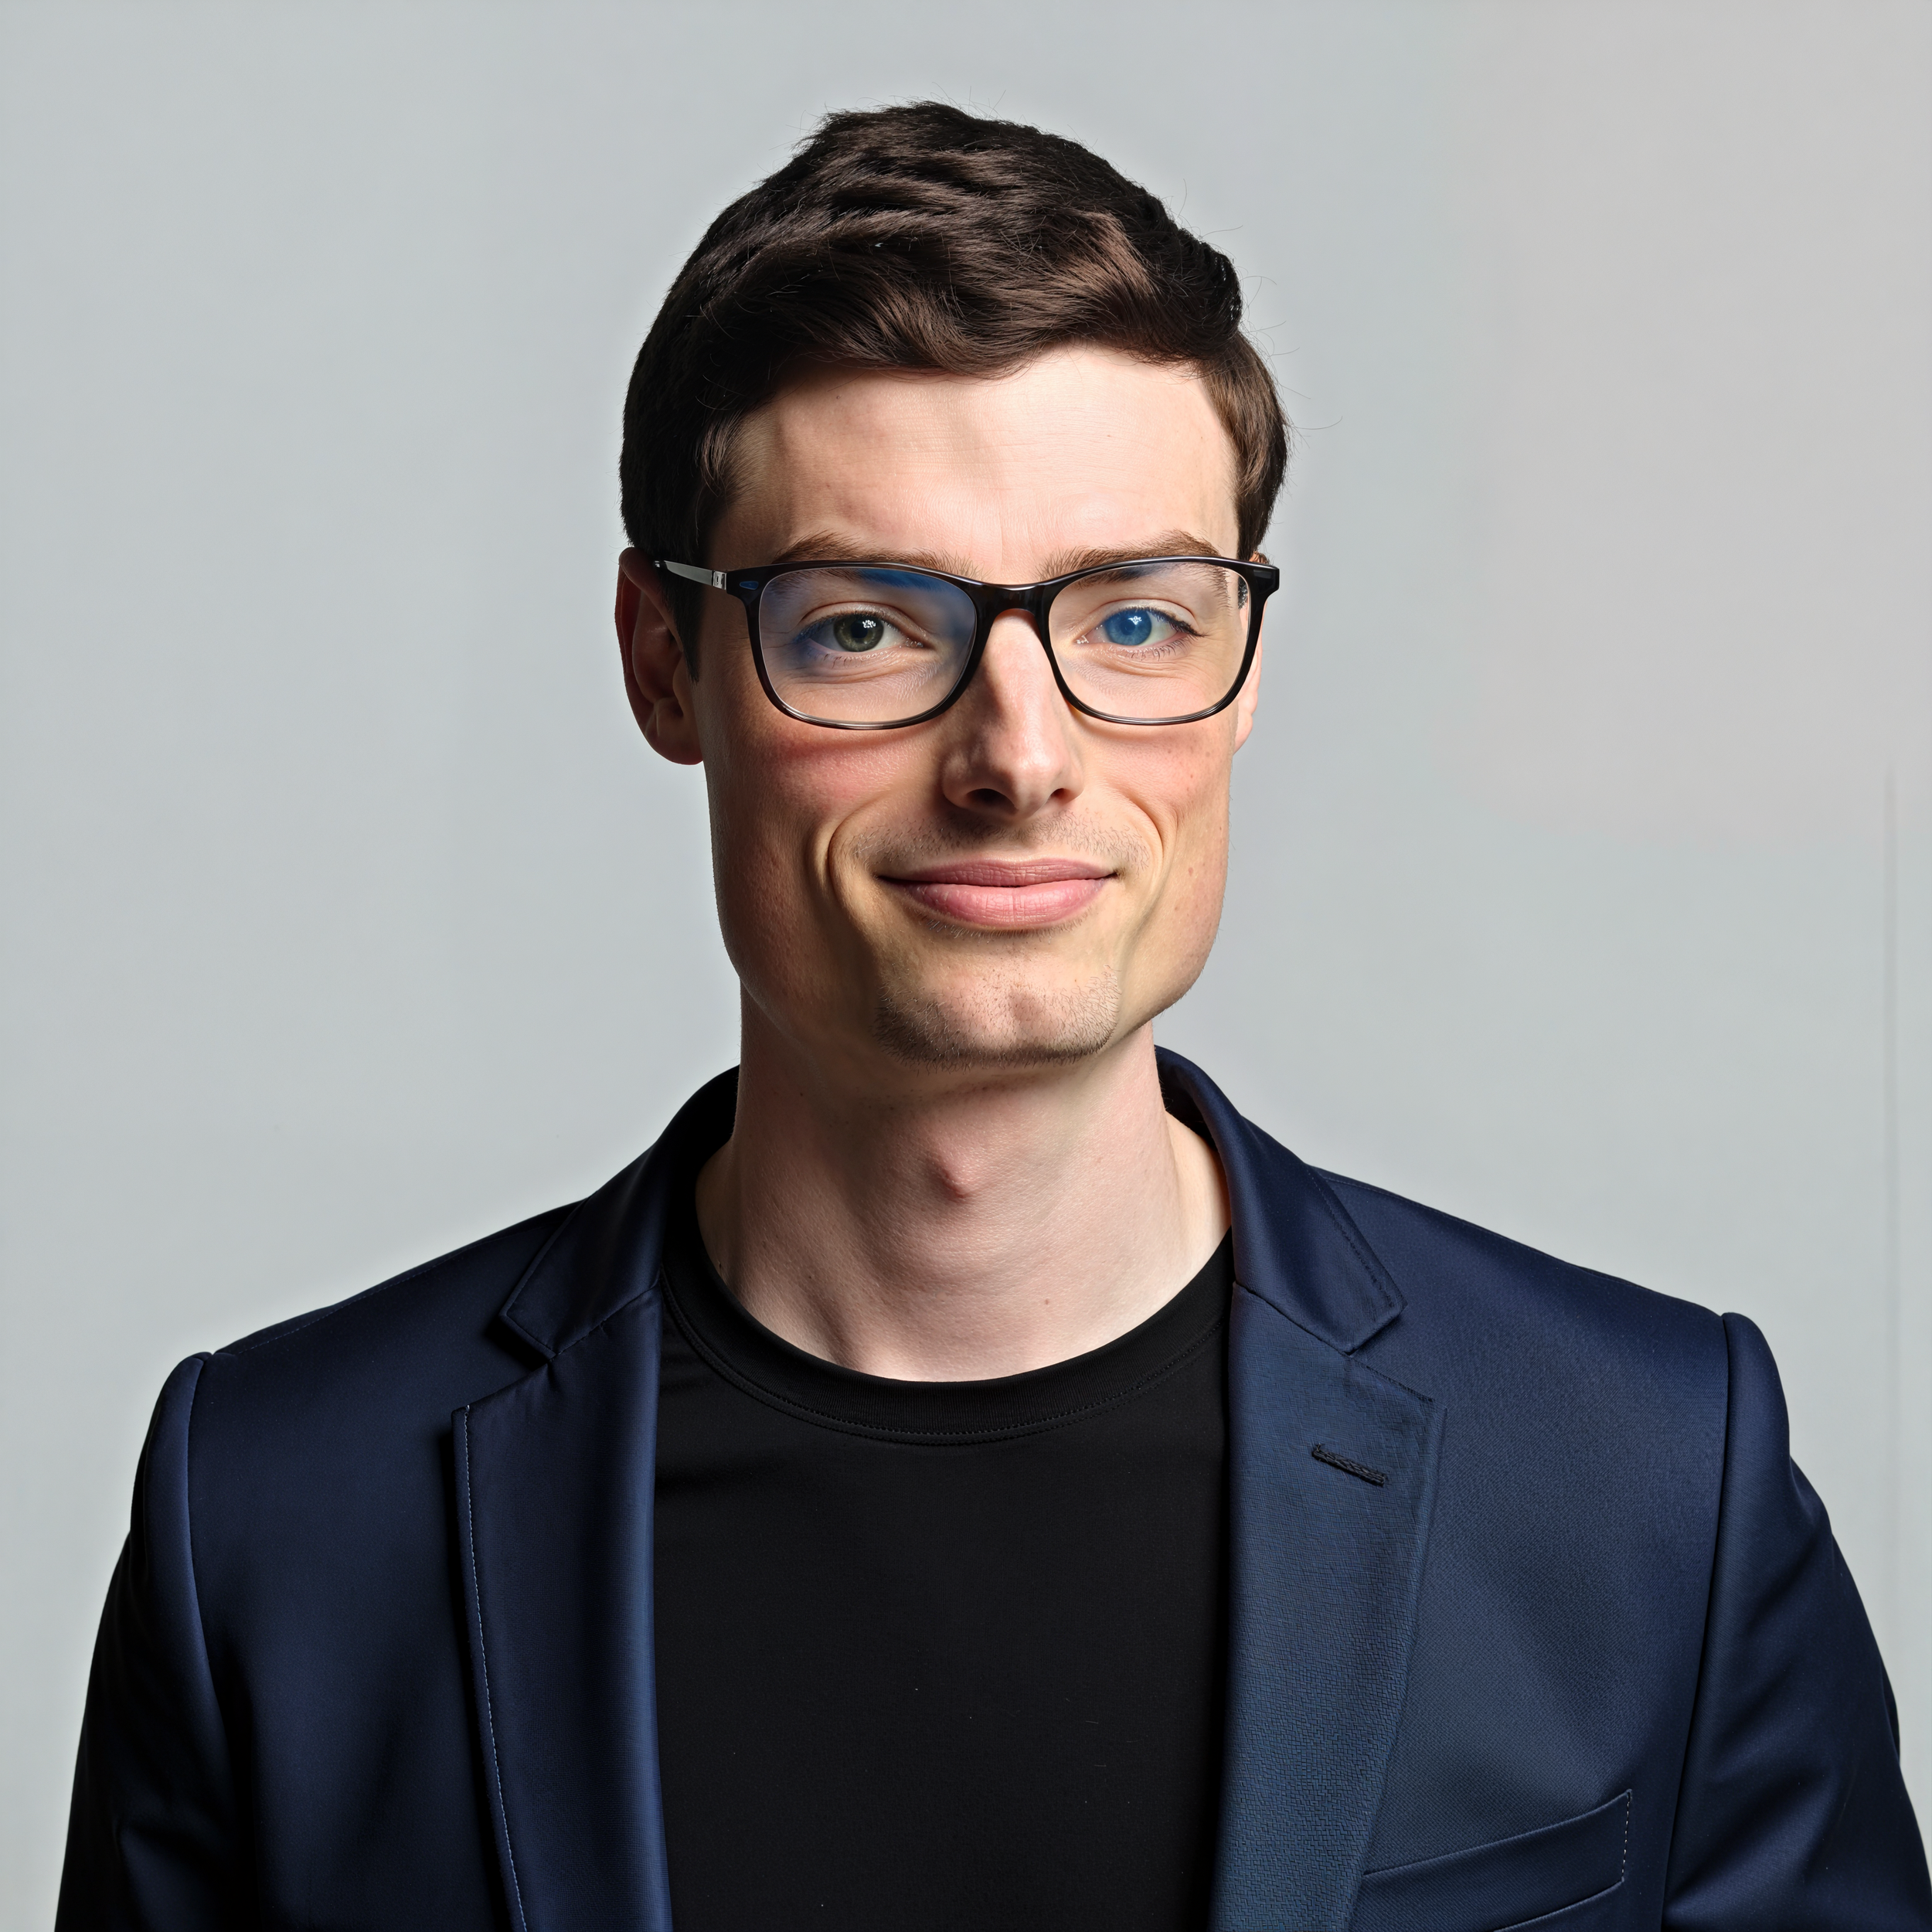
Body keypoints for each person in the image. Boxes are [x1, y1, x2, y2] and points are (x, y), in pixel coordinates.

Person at [57, 101, 1928, 1932]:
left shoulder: (1646, 1482)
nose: (1018, 758)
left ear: (1238, 667)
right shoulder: (280, 1521)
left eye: (1131, 622)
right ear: (664, 662)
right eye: (865, 624)